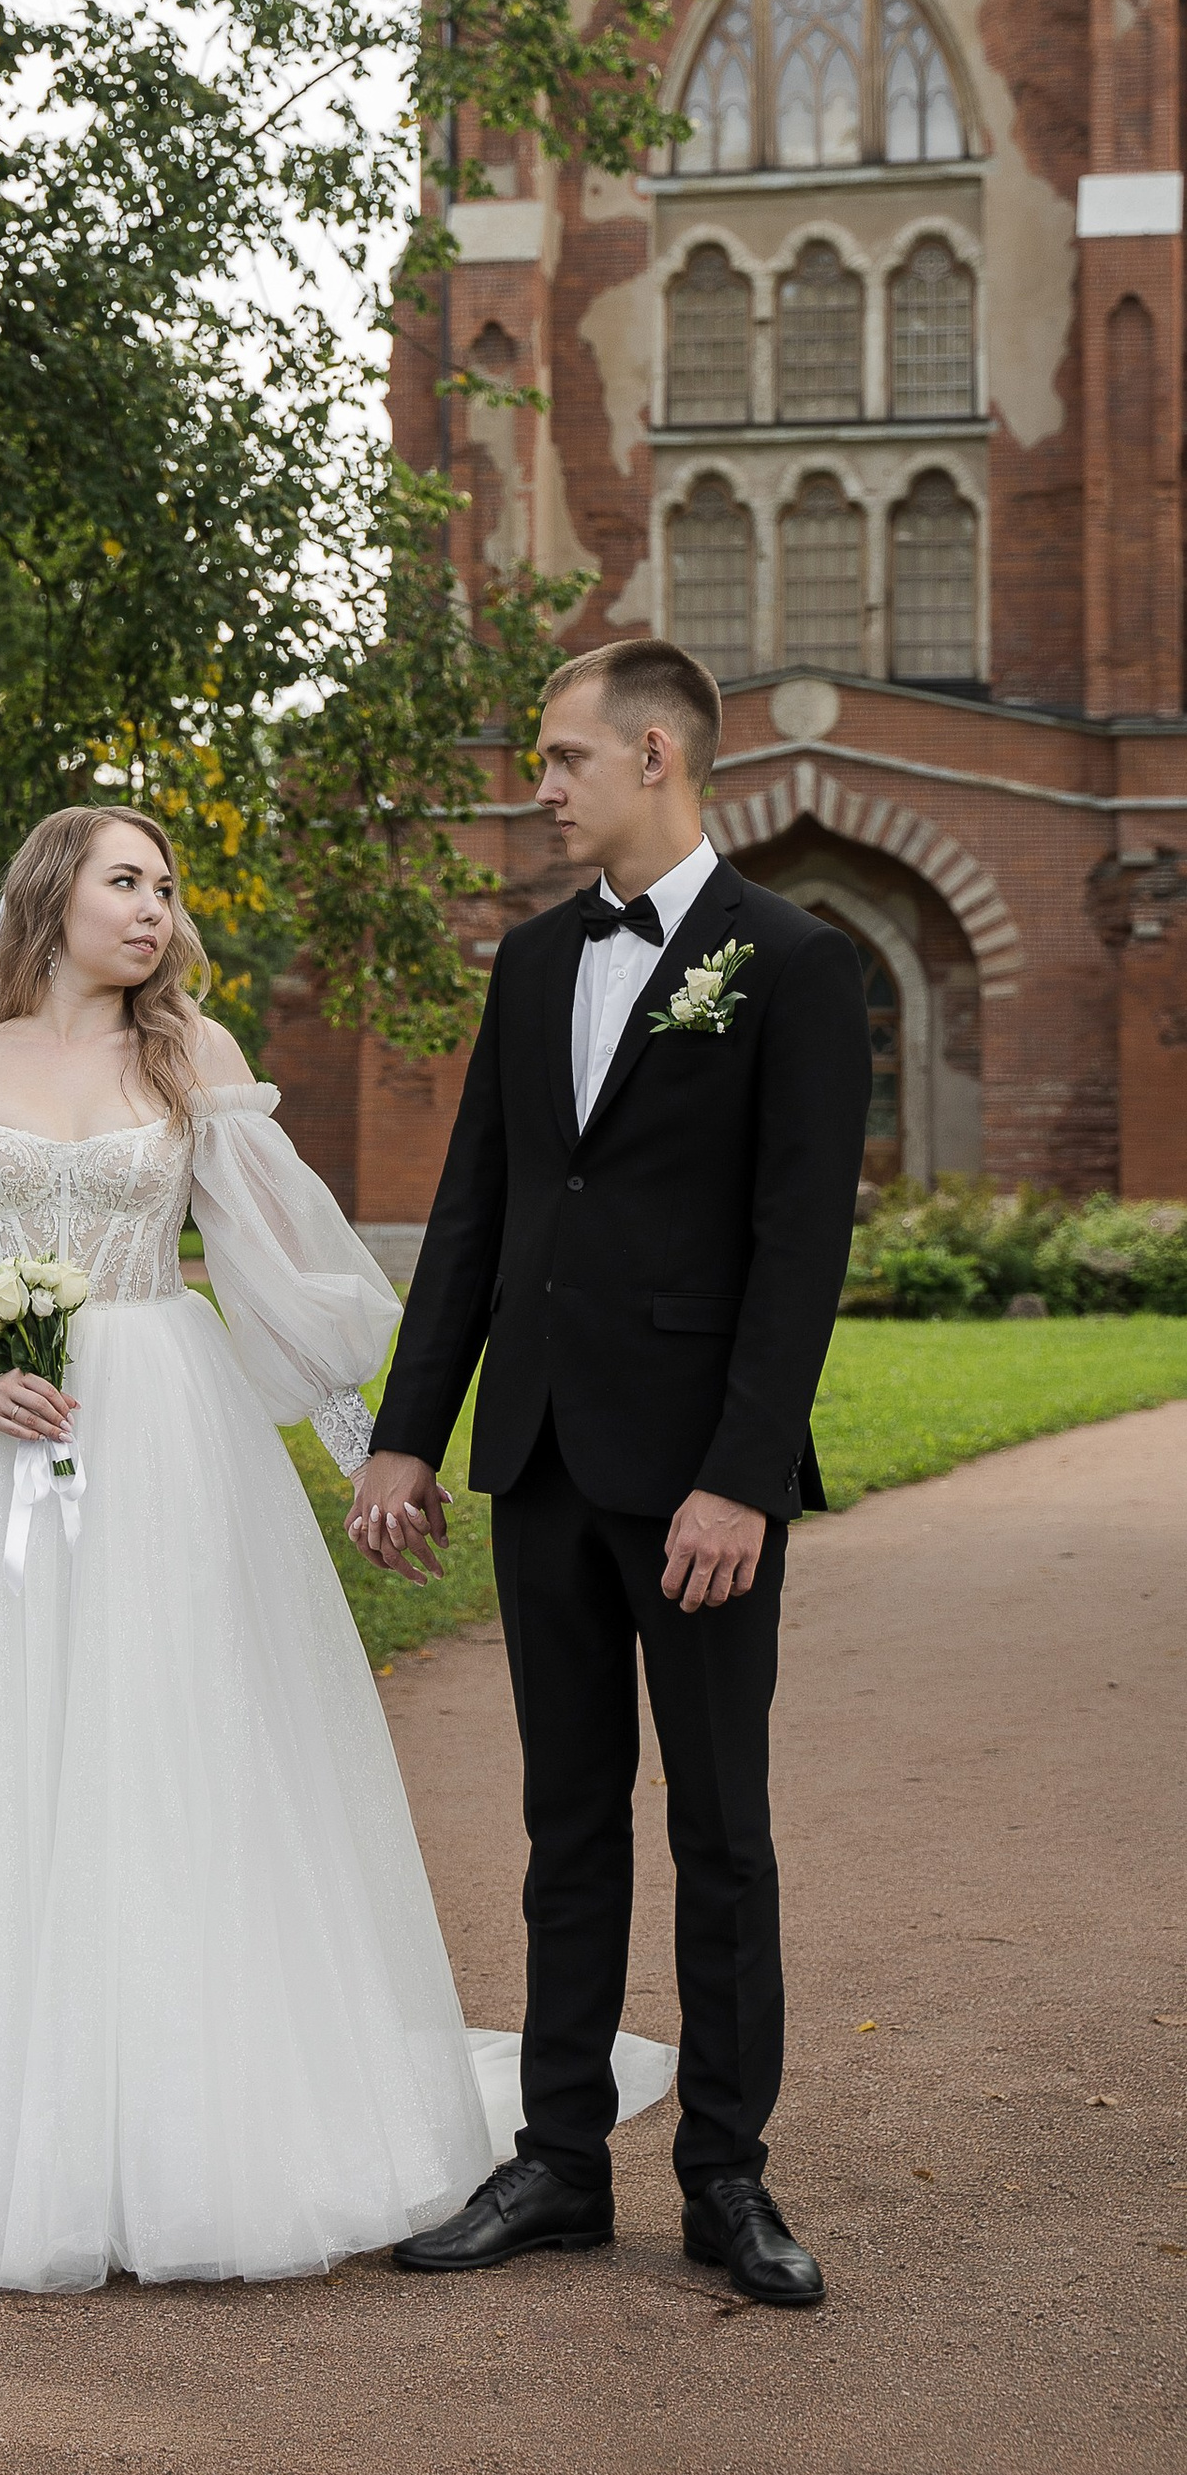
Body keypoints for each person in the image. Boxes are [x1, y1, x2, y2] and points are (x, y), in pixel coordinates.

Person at [0, 800, 669, 2292]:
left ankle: (180, 2118)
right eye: (125, 881)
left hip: (165, 1426)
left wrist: (373, 1460)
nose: (154, 908)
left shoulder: (195, 1061)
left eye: (165, 885)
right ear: (53, 898)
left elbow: (284, 1273)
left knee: (172, 1750)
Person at [353, 639, 869, 2309]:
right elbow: (481, 1218)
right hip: (546, 1461)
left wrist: (739, 1478)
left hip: (701, 1486)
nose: (540, 784)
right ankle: (561, 2160)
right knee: (563, 1818)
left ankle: (725, 2174)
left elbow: (799, 1253)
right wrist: (408, 1431)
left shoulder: (793, 962)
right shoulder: (526, 965)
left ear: (656, 754)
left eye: (564, 758)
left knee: (721, 1829)